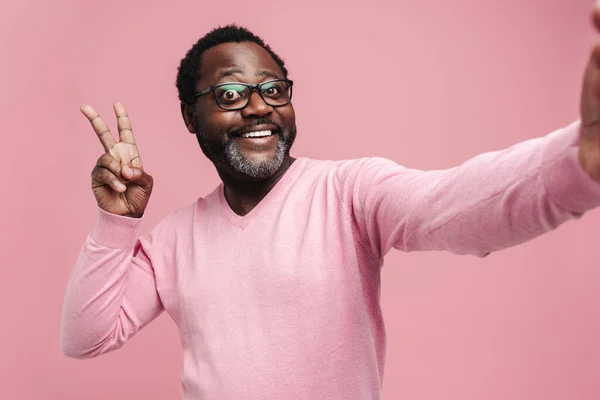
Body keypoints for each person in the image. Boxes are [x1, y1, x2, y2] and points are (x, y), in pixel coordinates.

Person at [61, 8, 600, 399]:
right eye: (230, 94)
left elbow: (455, 205)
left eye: (274, 90)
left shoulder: (349, 192)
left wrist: (578, 160)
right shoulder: (174, 240)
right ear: (190, 117)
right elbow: (87, 336)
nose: (258, 108)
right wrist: (117, 222)